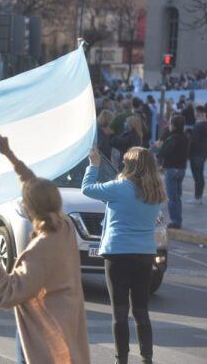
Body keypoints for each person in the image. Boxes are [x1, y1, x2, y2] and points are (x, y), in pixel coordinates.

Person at [0, 136, 90, 364]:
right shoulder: (64, 226)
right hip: (66, 324)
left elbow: (6, 294)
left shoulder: (41, 249)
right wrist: (9, 155)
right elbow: (34, 185)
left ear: (29, 209)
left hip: (44, 334)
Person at [81, 146, 166, 364]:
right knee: (141, 310)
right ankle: (147, 358)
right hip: (145, 254)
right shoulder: (155, 192)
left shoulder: (119, 187)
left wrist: (94, 165)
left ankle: (122, 360)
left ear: (129, 166)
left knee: (119, 312)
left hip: (118, 253)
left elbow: (87, 189)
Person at [158, 114, 190, 228]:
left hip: (172, 170)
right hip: (181, 169)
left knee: (172, 197)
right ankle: (178, 219)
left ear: (174, 126)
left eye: (170, 123)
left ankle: (175, 221)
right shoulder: (185, 137)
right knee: (177, 196)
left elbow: (162, 151)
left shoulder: (172, 138)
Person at [189, 105, 207, 204]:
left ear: (199, 112)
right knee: (200, 175)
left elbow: (194, 141)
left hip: (196, 153)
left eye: (195, 111)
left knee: (197, 176)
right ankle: (198, 197)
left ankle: (197, 197)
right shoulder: (204, 124)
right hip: (203, 153)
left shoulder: (199, 125)